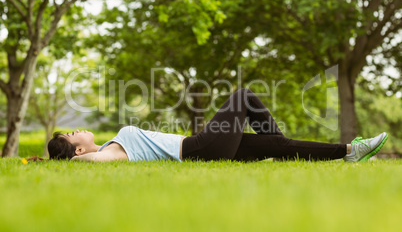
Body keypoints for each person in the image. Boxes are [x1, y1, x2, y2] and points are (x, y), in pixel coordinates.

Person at [47, 88, 388, 163]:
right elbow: (83, 163)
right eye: (72, 134)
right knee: (243, 95)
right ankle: (279, 148)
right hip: (200, 149)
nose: (77, 129)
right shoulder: (104, 156)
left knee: (277, 146)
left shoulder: (110, 146)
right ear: (78, 148)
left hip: (203, 144)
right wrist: (62, 162)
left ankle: (350, 152)